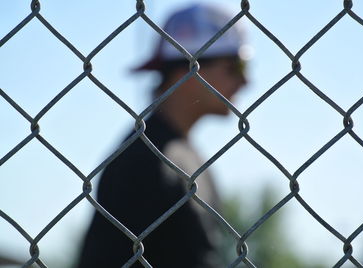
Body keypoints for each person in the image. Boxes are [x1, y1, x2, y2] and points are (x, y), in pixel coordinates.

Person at [77, 3, 248, 268]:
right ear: (190, 67)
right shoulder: (142, 160)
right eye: (235, 67)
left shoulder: (188, 159)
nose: (245, 82)